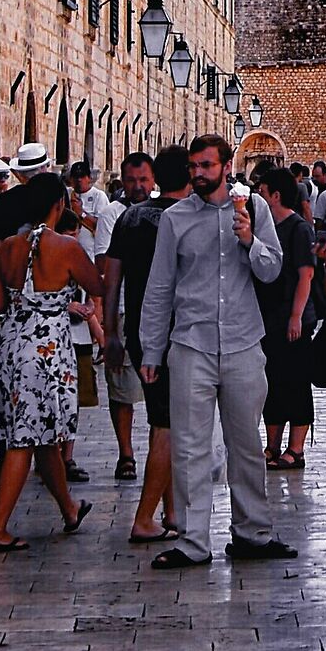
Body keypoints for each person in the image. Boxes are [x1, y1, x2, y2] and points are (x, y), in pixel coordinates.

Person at [137, 133, 294, 568]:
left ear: (227, 167)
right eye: (194, 167)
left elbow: (271, 270)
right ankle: (192, 540)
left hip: (243, 341)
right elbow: (160, 286)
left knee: (245, 441)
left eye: (207, 166)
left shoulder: (254, 210)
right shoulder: (176, 219)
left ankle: (252, 532)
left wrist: (250, 241)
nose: (199, 174)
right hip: (191, 342)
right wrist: (151, 349)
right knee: (189, 445)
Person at [0, 174, 100, 550]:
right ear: (59, 204)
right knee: (25, 438)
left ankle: (69, 508)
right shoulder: (65, 246)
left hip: (9, 343)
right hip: (45, 348)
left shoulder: (7, 249)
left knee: (43, 433)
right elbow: (97, 284)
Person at [109, 149, 185, 543]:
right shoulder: (184, 218)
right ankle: (143, 518)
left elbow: (112, 278)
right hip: (173, 333)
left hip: (139, 330)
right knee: (168, 426)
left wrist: (110, 330)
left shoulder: (129, 217)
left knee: (162, 419)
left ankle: (170, 512)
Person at [255, 166, 316, 470]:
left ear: (275, 196)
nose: (258, 196)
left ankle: (296, 448)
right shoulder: (264, 229)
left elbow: (306, 274)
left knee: (296, 383)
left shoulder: (298, 229)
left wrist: (296, 316)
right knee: (273, 382)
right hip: (269, 318)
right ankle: (272, 444)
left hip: (294, 320)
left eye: (262, 192)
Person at [98, 152, 154, 479]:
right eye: (131, 181)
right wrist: (109, 332)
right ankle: (126, 454)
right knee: (122, 390)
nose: (138, 187)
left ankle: (158, 453)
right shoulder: (112, 215)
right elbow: (107, 269)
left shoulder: (166, 213)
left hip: (157, 315)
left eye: (143, 180)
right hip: (122, 312)